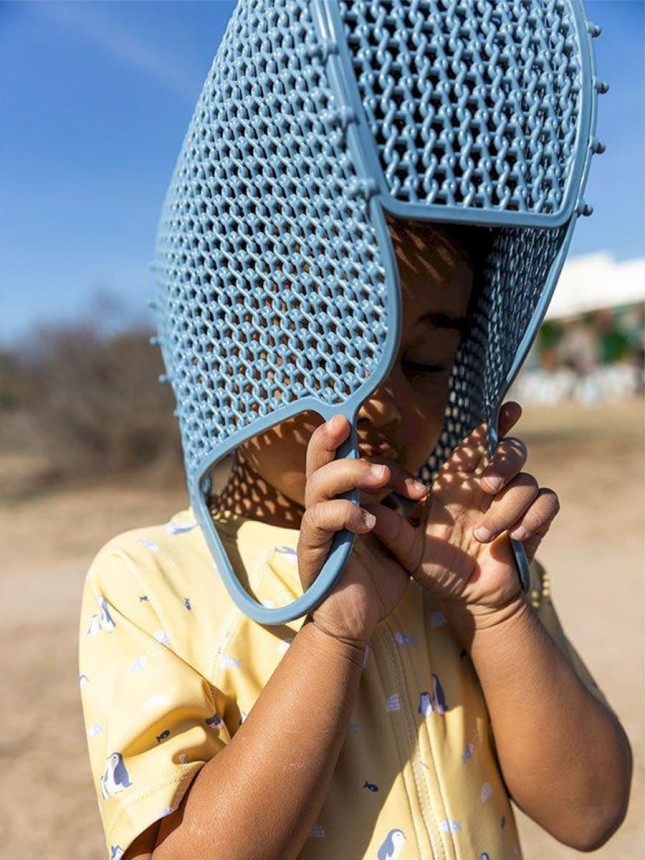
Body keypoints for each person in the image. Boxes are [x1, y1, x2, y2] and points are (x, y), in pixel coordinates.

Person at [79, 218, 632, 860]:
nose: (383, 402)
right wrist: (335, 632)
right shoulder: (152, 579)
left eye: (426, 363)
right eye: (334, 351)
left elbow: (590, 811)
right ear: (223, 351)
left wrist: (496, 609)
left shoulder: (464, 552)